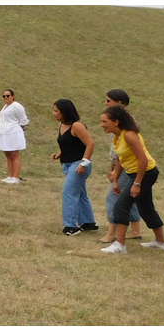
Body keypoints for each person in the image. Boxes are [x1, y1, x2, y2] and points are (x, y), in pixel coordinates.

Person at [98, 105, 164, 254]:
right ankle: (161, 242)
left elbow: (142, 160)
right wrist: (115, 180)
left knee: (121, 206)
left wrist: (137, 184)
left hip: (146, 172)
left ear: (116, 122)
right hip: (133, 173)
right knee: (145, 207)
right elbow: (120, 159)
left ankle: (120, 245)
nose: (101, 125)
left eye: (104, 121)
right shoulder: (116, 137)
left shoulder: (129, 134)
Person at [98, 89, 143, 242]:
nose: (105, 103)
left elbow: (123, 151)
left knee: (113, 196)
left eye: (108, 101)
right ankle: (135, 230)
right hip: (121, 164)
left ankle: (111, 232)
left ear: (120, 103)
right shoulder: (119, 120)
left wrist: (115, 172)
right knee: (130, 196)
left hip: (126, 165)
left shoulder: (124, 123)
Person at [51, 99, 96, 236]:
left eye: (56, 111)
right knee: (80, 193)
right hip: (67, 164)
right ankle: (88, 222)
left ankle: (71, 226)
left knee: (69, 192)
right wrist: (59, 154)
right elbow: (69, 144)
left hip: (78, 165)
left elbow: (90, 144)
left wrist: (84, 163)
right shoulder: (62, 125)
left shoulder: (77, 126)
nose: (54, 114)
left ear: (65, 112)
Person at [0, 89, 29, 185]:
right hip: (4, 132)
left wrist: (17, 128)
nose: (6, 97)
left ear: (13, 96)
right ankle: (10, 176)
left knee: (15, 155)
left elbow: (24, 120)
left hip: (13, 133)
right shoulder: (5, 107)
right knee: (8, 155)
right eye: (4, 96)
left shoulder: (17, 106)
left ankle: (15, 177)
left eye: (8, 95)